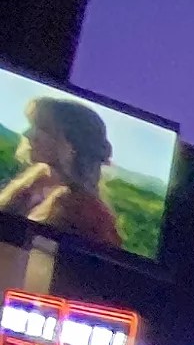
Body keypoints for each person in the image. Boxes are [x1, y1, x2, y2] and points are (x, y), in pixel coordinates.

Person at [0, 97, 126, 254]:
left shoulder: (90, 216)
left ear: (72, 145)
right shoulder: (33, 183)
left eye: (44, 129)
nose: (28, 134)